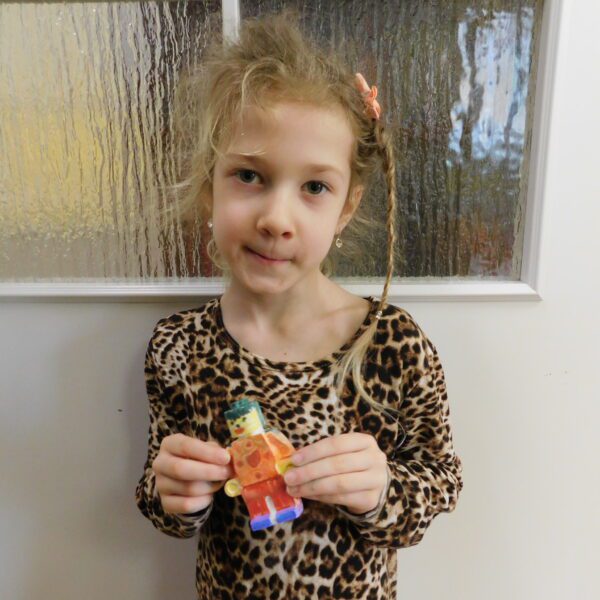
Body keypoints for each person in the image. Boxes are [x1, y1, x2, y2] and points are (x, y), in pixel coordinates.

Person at [135, 9, 463, 600]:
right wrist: (173, 496)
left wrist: (382, 489)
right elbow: (166, 507)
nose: (276, 219)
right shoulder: (178, 347)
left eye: (314, 187)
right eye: (249, 176)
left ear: (346, 207)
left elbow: (440, 482)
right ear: (209, 185)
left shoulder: (392, 345)